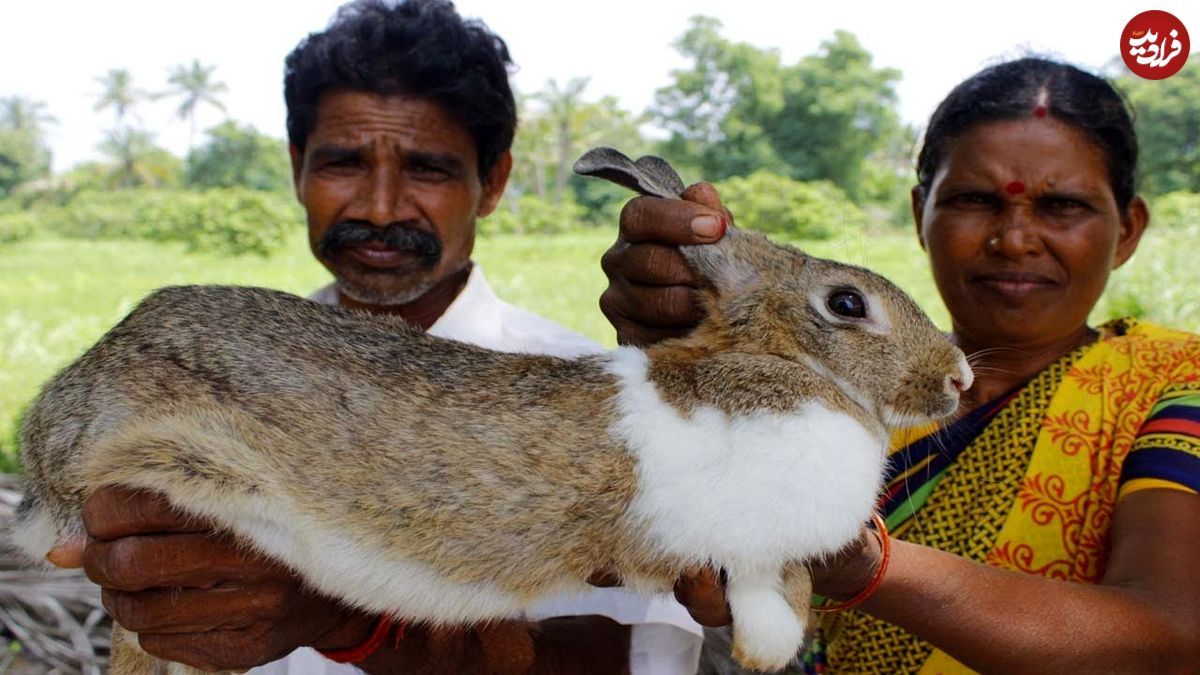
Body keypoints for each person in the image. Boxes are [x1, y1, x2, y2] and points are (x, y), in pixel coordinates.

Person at [77, 1, 703, 672]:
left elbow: (632, 655)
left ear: (491, 183)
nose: (379, 207)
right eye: (343, 163)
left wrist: (351, 621)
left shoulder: (599, 408)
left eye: (426, 169)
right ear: (298, 170)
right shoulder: (208, 375)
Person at [604, 57, 1200, 673]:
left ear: (1128, 230)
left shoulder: (1174, 384)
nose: (1016, 239)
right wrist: (692, 348)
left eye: (1063, 205)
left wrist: (864, 565)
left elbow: (1171, 642)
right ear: (921, 214)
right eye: (975, 199)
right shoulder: (822, 375)